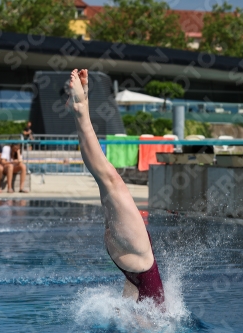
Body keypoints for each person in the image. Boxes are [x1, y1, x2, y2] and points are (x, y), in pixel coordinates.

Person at [67, 69, 165, 306]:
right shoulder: (157, 312)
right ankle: (82, 106)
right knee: (107, 182)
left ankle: (81, 108)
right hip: (131, 269)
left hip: (139, 260)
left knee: (110, 179)